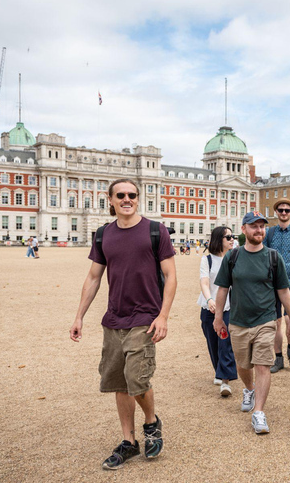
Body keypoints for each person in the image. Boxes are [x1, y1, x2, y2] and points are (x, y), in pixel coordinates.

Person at [69, 178, 177, 470]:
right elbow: (94, 277)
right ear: (111, 199)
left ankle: (151, 423)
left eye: (132, 195)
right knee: (119, 382)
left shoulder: (156, 231)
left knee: (137, 379)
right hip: (114, 318)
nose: (127, 199)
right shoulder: (104, 234)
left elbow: (170, 276)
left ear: (137, 198)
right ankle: (128, 442)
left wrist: (163, 315)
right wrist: (79, 315)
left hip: (145, 318)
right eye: (121, 195)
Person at [213, 211, 290, 435]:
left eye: (262, 226)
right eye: (254, 226)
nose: (259, 230)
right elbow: (223, 288)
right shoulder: (233, 257)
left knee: (262, 364)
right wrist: (218, 317)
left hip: (266, 320)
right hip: (239, 321)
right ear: (244, 230)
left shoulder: (273, 257)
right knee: (243, 364)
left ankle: (259, 412)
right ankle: (249, 390)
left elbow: (283, 291)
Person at [263, 198, 290, 373]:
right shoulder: (269, 233)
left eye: (287, 210)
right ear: (276, 212)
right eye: (280, 210)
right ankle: (278, 357)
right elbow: (262, 257)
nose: (283, 212)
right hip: (272, 284)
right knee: (275, 323)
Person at [198, 226, 238, 397]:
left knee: (225, 343)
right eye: (227, 237)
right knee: (212, 343)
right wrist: (210, 300)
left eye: (232, 236)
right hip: (208, 306)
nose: (231, 239)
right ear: (218, 239)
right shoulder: (207, 260)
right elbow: (205, 283)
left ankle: (225, 380)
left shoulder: (234, 258)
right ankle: (219, 370)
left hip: (227, 306)